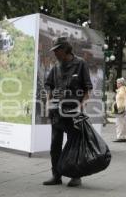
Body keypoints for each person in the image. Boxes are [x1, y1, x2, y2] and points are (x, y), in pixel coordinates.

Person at [43, 37, 93, 187]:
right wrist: (48, 102)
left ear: (65, 49)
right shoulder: (55, 67)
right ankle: (56, 175)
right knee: (55, 145)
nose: (55, 53)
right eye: (54, 51)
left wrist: (81, 107)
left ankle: (76, 176)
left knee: (74, 145)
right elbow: (49, 86)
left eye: (57, 50)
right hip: (57, 113)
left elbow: (87, 89)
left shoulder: (80, 64)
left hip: (73, 113)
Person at [113, 77, 126, 142]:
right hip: (123, 108)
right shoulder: (124, 89)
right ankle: (123, 137)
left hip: (120, 108)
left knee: (119, 123)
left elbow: (123, 99)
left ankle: (120, 137)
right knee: (123, 123)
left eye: (117, 83)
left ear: (121, 83)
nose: (116, 84)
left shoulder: (122, 90)